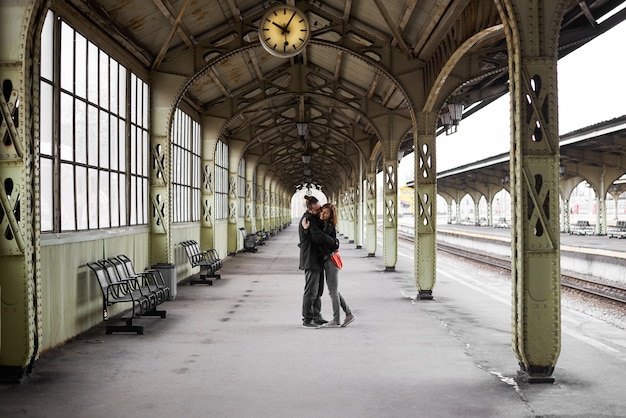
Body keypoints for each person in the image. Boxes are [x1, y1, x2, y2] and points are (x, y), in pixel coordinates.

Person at [302, 202, 355, 328]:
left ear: (330, 216)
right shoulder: (325, 224)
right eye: (321, 211)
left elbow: (320, 238)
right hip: (328, 261)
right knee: (334, 290)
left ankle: (336, 320)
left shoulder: (328, 226)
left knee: (332, 292)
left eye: (325, 213)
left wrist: (307, 229)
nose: (322, 214)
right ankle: (348, 314)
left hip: (330, 261)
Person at [298, 196, 338, 328]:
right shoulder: (307, 219)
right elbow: (318, 236)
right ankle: (307, 318)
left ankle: (316, 315)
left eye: (321, 209)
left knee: (318, 289)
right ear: (310, 210)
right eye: (317, 210)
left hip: (318, 259)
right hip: (311, 259)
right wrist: (334, 243)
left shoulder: (314, 218)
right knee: (311, 290)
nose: (320, 211)